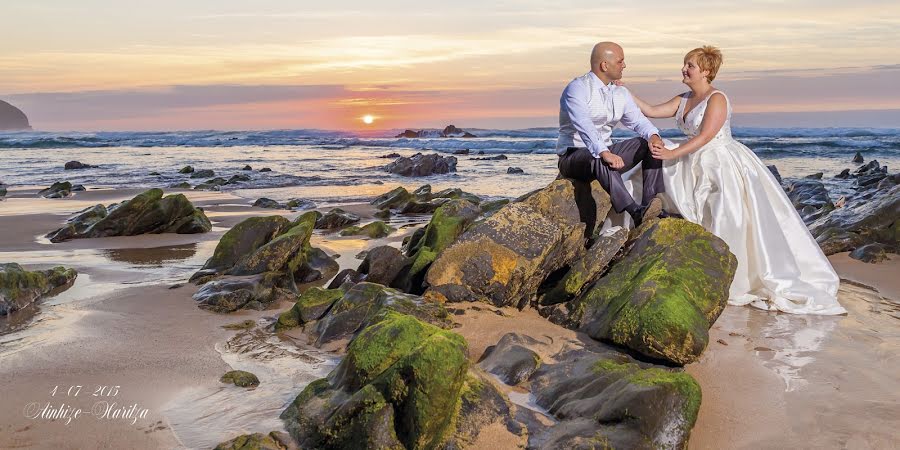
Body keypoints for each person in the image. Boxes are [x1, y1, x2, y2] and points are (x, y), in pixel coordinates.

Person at [627, 45, 846, 315]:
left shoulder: (717, 98)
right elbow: (649, 110)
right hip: (692, 158)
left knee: (724, 214)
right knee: (647, 176)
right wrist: (622, 90)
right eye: (684, 64)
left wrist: (671, 153)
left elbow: (705, 136)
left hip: (720, 162)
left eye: (690, 65)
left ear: (706, 71)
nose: (684, 69)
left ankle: (730, 276)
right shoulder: (683, 98)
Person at [556, 41, 667, 227]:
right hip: (573, 156)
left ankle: (649, 205)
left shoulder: (620, 92)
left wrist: (653, 135)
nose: (624, 65)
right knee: (598, 156)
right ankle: (634, 211)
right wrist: (604, 152)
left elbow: (637, 120)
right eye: (620, 61)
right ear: (604, 65)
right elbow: (584, 124)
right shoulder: (577, 88)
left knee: (648, 144)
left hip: (604, 153)